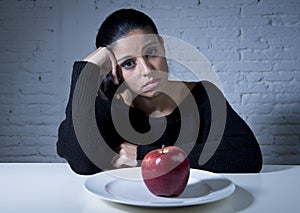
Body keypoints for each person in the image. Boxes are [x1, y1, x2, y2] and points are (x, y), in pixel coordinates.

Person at [57, 8, 262, 175]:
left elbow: (248, 156)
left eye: (151, 53)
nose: (147, 71)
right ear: (114, 71)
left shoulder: (203, 95)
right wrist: (85, 74)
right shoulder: (104, 105)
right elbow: (82, 164)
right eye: (129, 63)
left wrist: (146, 155)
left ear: (162, 47)